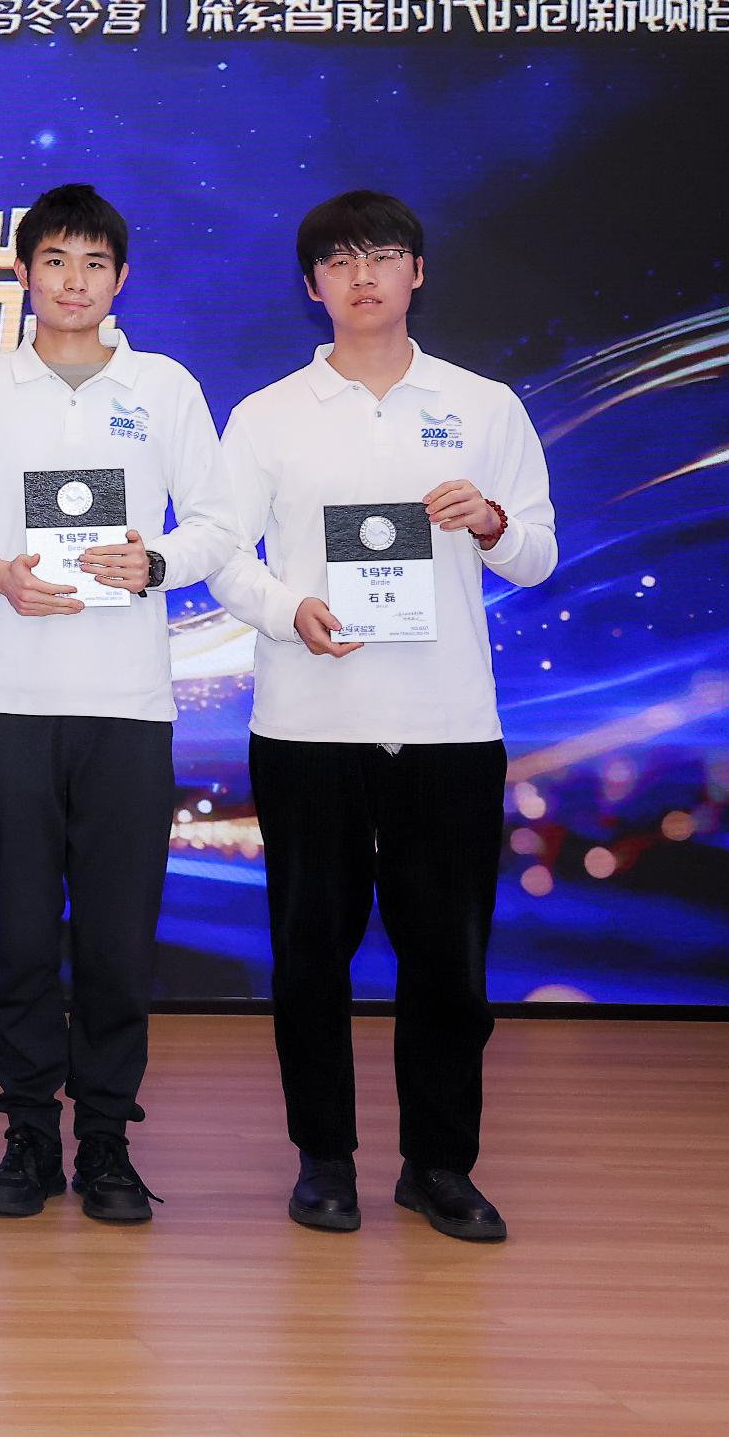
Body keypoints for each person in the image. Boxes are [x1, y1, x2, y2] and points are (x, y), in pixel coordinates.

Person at [207, 190, 556, 1244]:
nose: (363, 275)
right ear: (312, 285)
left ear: (416, 271)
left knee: (447, 959)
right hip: (308, 724)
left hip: (448, 724)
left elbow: (537, 553)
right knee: (309, 951)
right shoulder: (267, 415)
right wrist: (288, 610)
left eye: (383, 255)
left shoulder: (483, 405)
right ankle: (323, 1159)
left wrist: (489, 521)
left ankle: (438, 1166)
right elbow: (221, 555)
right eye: (339, 261)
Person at [0, 184, 242, 1225]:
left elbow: (216, 523)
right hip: (7, 702)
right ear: (22, 273)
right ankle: (28, 1134)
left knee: (116, 939)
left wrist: (153, 562)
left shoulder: (163, 386)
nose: (73, 281)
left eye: (94, 263)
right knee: (19, 935)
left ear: (120, 278)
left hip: (128, 706)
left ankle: (106, 1137)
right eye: (55, 261)